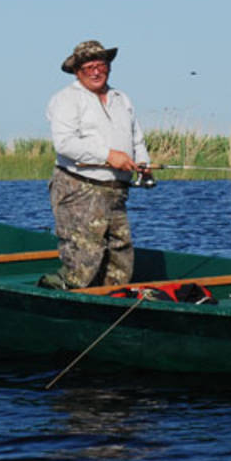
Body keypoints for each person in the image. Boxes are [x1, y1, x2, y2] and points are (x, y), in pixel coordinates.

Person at [40, 40, 152, 290]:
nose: (95, 71)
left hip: (116, 192)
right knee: (83, 259)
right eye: (88, 67)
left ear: (109, 67)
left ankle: (110, 302)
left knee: (120, 256)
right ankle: (56, 297)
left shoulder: (121, 99)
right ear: (77, 72)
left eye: (100, 65)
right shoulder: (66, 99)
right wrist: (108, 156)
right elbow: (65, 143)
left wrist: (143, 163)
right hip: (79, 189)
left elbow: (137, 138)